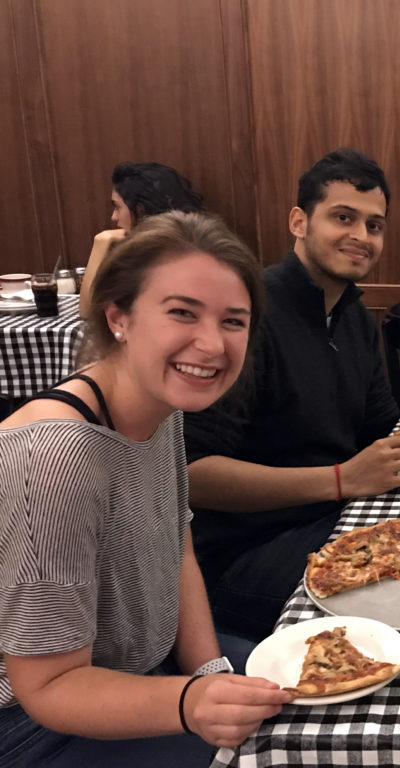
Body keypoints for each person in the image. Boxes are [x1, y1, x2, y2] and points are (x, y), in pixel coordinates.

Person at [0, 211, 292, 767]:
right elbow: (48, 685)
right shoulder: (51, 458)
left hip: (145, 672)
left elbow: (175, 546)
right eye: (182, 312)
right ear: (120, 317)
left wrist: (207, 671)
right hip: (32, 724)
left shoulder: (164, 407)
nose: (211, 344)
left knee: (313, 709)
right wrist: (190, 701)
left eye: (234, 321)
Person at [183, 148, 400, 641]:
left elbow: (383, 432)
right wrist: (341, 480)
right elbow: (192, 474)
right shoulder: (246, 316)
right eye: (343, 217)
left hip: (338, 522)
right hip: (243, 558)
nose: (361, 236)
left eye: (374, 225)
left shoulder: (354, 317)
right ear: (298, 221)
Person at [79, 161, 205, 315]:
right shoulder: (172, 243)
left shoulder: (171, 253)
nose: (114, 217)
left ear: (141, 209)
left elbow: (87, 311)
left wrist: (101, 242)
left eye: (117, 207)